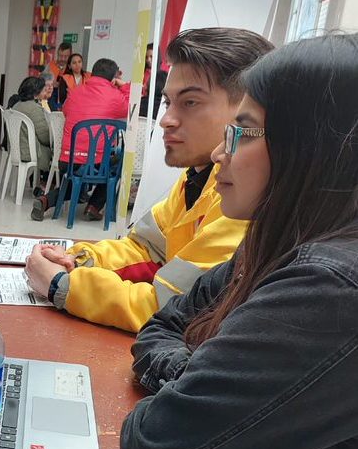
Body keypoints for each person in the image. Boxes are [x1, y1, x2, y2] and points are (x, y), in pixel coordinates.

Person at [91, 32, 358, 449]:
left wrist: (193, 390)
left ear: (310, 148)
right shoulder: (289, 237)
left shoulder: (331, 287)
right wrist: (197, 377)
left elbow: (157, 443)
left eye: (243, 132)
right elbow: (166, 321)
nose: (218, 152)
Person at [24, 28, 272, 332]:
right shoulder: (194, 181)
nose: (166, 120)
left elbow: (173, 309)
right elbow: (146, 248)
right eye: (168, 103)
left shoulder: (243, 202)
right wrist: (78, 259)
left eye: (190, 102)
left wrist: (63, 285)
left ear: (246, 113)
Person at [30, 57, 130, 221]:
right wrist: (124, 85)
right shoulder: (114, 96)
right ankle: (94, 206)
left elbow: (66, 111)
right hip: (96, 162)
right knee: (120, 161)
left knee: (74, 181)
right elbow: (128, 107)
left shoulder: (76, 91)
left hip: (67, 159)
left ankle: (45, 200)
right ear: (113, 78)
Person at [5, 76, 52, 171]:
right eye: (43, 90)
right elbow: (45, 138)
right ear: (35, 93)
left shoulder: (16, 105)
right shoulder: (34, 109)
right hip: (29, 152)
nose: (45, 93)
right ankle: (47, 182)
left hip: (17, 149)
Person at [140, 42, 167, 118]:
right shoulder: (142, 72)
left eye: (151, 57)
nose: (148, 60)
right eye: (146, 57)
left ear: (158, 56)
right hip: (145, 103)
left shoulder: (166, 70)